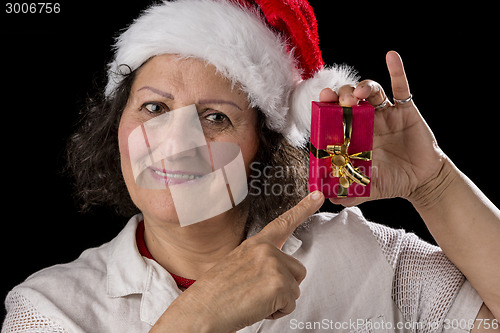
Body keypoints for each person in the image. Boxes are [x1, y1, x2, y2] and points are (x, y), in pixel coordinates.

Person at [2, 0, 499, 332]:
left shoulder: (367, 255)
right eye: (154, 108)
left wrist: (433, 183)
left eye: (215, 117)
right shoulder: (49, 309)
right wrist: (196, 320)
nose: (175, 144)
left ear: (262, 146)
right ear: (116, 126)